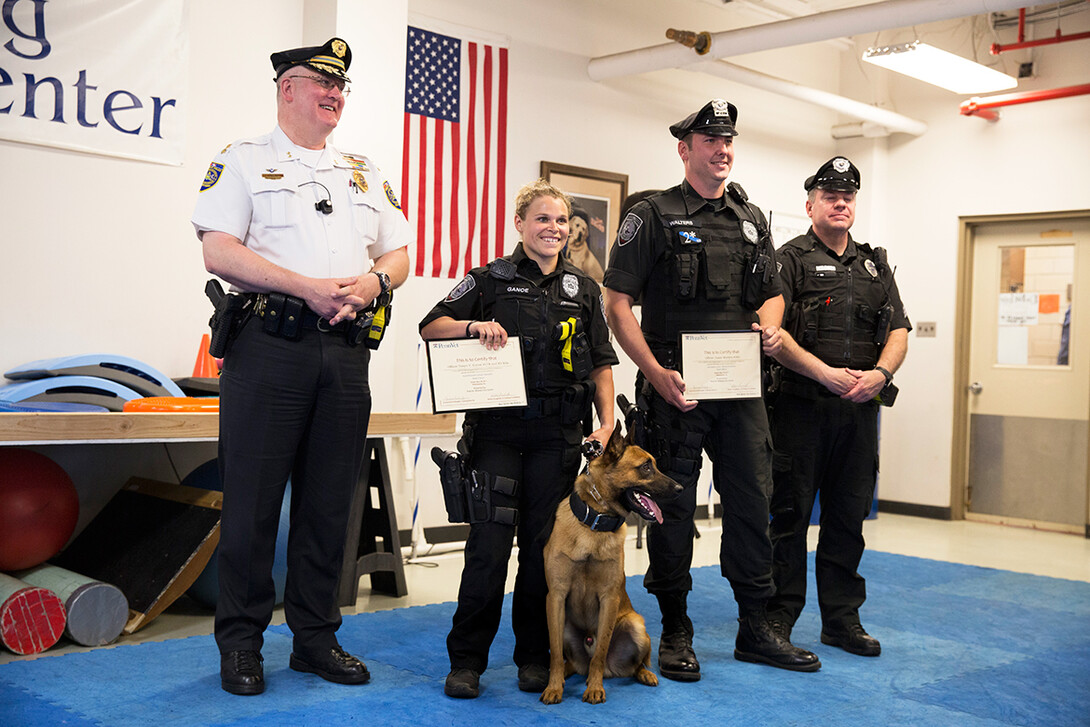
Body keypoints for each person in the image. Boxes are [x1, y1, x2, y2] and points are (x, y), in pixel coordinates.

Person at [191, 37, 411, 695]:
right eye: (322, 82)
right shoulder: (242, 160)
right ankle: (241, 644)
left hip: (345, 354)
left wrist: (374, 282)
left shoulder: (363, 169)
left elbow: (398, 250)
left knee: (328, 506)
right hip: (271, 346)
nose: (335, 93)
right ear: (287, 87)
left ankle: (316, 639)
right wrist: (303, 285)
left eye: (341, 86)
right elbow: (218, 251)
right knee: (254, 504)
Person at [603, 99, 820, 681]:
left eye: (728, 141)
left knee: (753, 501)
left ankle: (756, 628)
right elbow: (616, 302)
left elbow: (772, 292)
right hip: (674, 387)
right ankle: (675, 630)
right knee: (671, 509)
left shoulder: (751, 219)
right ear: (685, 148)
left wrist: (772, 323)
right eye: (709, 140)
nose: (722, 150)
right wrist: (653, 374)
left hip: (741, 387)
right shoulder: (651, 213)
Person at [420, 179, 618, 699]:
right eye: (542, 219)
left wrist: (605, 422)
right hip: (498, 435)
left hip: (559, 436)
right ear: (520, 224)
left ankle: (535, 657)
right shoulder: (488, 279)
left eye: (560, 221)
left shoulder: (585, 289)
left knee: (541, 554)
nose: (552, 229)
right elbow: (430, 324)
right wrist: (472, 327)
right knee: (487, 550)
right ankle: (466, 663)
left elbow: (601, 361)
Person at [765, 156, 910, 657]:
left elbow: (898, 330)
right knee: (788, 517)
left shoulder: (874, 265)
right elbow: (772, 334)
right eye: (830, 196)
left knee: (848, 517)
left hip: (858, 413)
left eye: (848, 196)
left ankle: (841, 621)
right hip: (800, 410)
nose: (841, 202)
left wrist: (882, 374)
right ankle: (777, 620)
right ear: (811, 205)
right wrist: (822, 372)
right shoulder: (789, 260)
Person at [564, 207, 605, 282]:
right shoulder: (570, 246)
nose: (580, 231)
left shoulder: (582, 252)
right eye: (577, 225)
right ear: (571, 225)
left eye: (583, 229)